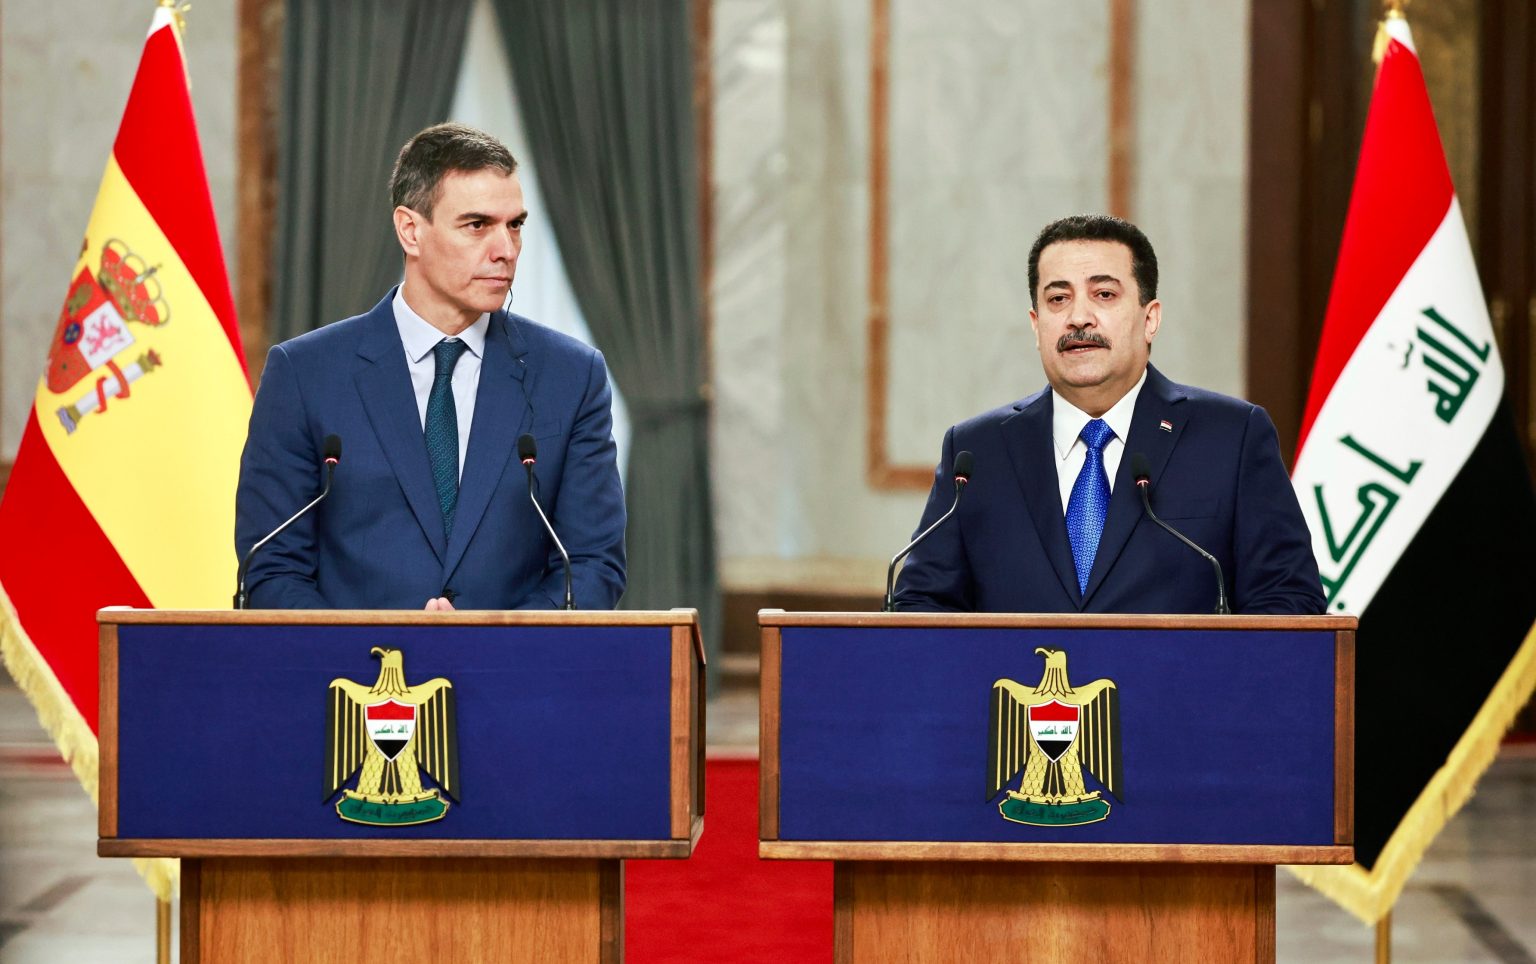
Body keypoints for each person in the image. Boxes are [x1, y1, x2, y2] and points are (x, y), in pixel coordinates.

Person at [235, 123, 625, 610]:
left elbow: (592, 564)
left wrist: (491, 641)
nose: (505, 250)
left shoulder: (572, 376)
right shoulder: (304, 374)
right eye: (477, 225)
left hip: (512, 658)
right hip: (350, 661)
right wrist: (378, 648)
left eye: (515, 225)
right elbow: (272, 569)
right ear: (410, 231)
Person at [893, 214, 1323, 614]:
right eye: (1058, 299)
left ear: (1150, 319)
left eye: (1104, 294)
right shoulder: (976, 453)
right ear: (1036, 325)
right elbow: (920, 605)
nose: (1079, 317)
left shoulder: (1231, 438)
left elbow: (1288, 599)